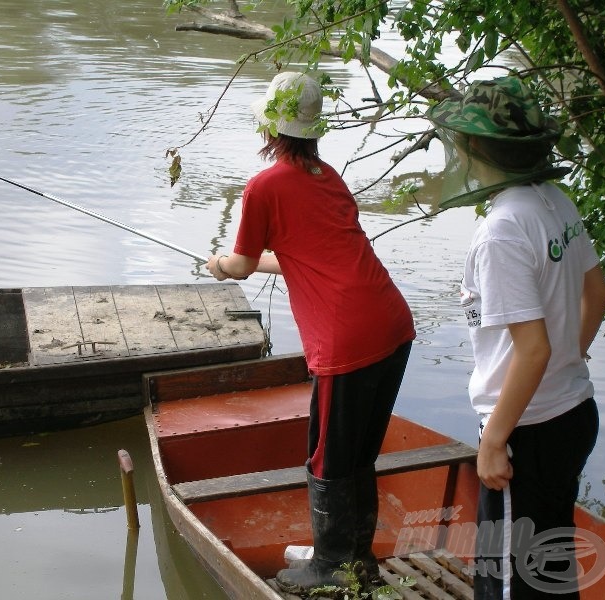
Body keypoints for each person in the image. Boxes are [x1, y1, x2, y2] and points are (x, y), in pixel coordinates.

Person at [206, 71, 416, 594]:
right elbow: (309, 257)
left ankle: (330, 570)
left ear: (269, 130)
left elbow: (241, 264)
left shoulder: (264, 186)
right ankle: (350, 558)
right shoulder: (328, 177)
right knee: (358, 455)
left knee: (329, 458)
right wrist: (248, 263)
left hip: (346, 338)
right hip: (392, 322)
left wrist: (219, 264)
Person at [426, 76, 605, 599]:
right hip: (574, 413)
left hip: (525, 432)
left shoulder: (502, 229)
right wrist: (563, 369)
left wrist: (492, 441)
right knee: (551, 575)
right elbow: (596, 293)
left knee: (509, 583)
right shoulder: (555, 199)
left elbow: (533, 349)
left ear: (477, 147)